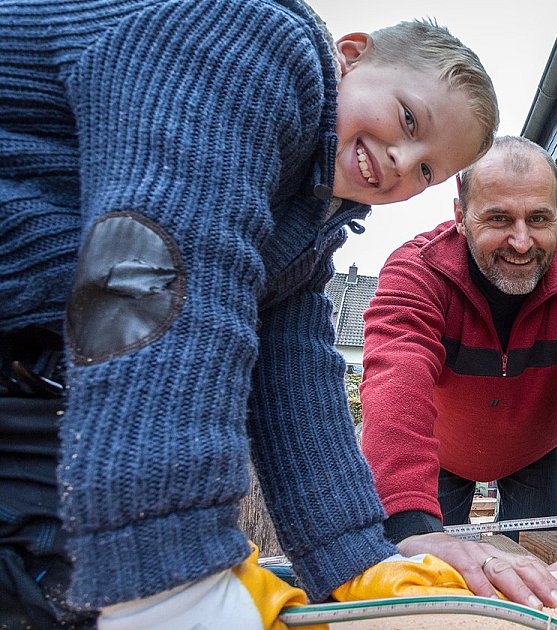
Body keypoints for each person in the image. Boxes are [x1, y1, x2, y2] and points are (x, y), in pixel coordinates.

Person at [0, 1, 499, 626]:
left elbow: (297, 383)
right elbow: (175, 260)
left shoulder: (301, 224)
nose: (403, 160)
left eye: (426, 169)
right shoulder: (251, 44)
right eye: (407, 119)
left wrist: (356, 561)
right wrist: (174, 568)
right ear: (349, 56)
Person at [360, 135, 557, 610]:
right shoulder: (417, 272)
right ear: (460, 214)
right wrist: (408, 522)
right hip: (442, 454)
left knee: (546, 587)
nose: (522, 242)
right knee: (433, 575)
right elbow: (394, 385)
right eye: (499, 219)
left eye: (539, 219)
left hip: (535, 452)